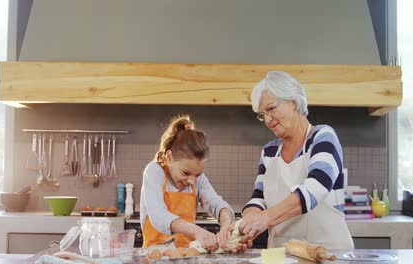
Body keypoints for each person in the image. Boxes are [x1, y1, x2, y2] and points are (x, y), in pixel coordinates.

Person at [238, 71, 354, 250]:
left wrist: (265, 219)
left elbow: (317, 186)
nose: (267, 120)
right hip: (281, 256)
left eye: (271, 109)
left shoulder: (323, 137)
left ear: (293, 101)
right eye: (263, 114)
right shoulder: (269, 152)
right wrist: (247, 223)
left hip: (328, 255)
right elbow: (259, 198)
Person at [140, 115, 235, 251]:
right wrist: (196, 231)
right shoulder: (155, 172)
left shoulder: (197, 179)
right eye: (185, 173)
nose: (191, 180)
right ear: (169, 157)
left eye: (197, 174)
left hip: (188, 255)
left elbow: (216, 204)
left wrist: (226, 225)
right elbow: (159, 216)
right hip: (155, 256)